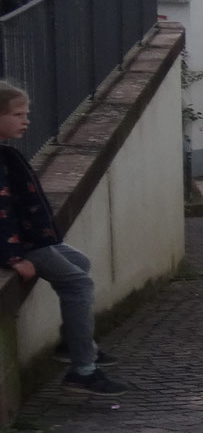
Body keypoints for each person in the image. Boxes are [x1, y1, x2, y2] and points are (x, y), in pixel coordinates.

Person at [0, 80, 124, 396]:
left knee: (80, 262)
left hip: (35, 239)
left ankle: (72, 342)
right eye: (18, 114)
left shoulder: (4, 152)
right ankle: (83, 369)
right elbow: (1, 211)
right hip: (26, 245)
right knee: (78, 283)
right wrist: (13, 256)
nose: (26, 120)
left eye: (26, 113)